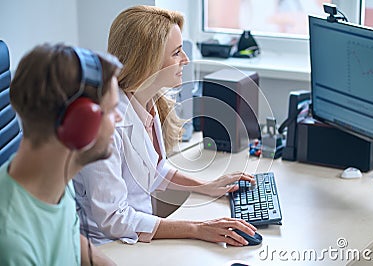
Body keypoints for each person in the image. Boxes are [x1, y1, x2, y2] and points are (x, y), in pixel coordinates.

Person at [74, 5, 257, 247]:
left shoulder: (148, 101)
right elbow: (114, 218)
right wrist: (197, 229)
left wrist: (207, 186)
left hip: (136, 237)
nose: (186, 60)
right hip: (110, 247)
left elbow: (155, 170)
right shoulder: (107, 126)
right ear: (147, 61)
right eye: (177, 52)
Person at [0, 43, 123, 265]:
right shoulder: (12, 244)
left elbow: (69, 234)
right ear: (81, 124)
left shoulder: (54, 176)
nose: (119, 118)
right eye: (113, 109)